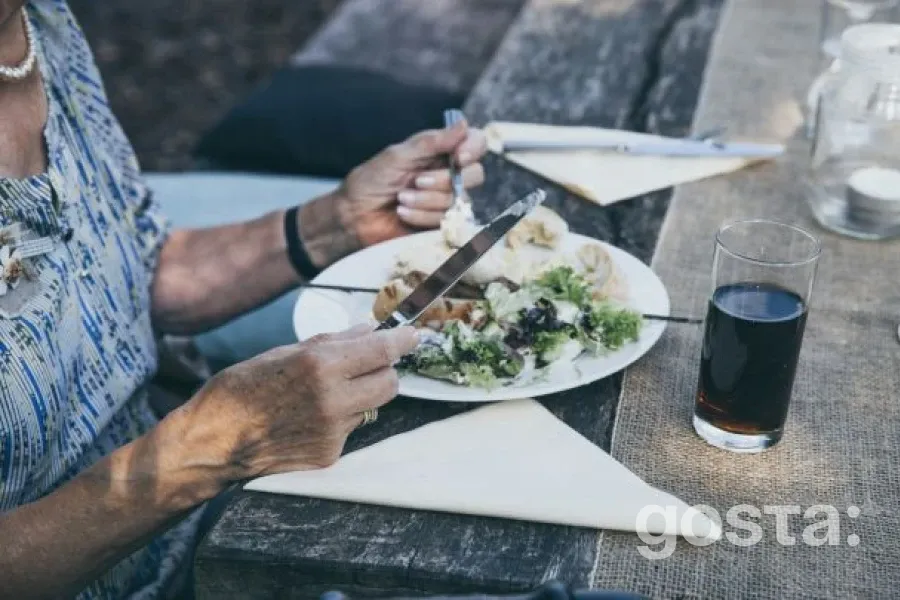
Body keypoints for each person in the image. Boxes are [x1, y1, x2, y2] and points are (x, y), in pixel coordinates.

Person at [0, 1, 487, 598]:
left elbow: (122, 276)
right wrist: (206, 447)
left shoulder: (40, 25)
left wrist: (334, 224)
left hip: (192, 533)